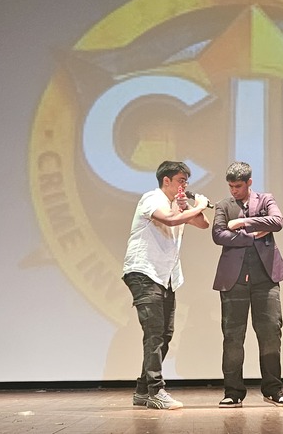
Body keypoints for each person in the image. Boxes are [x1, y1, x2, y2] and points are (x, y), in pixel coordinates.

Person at [122, 161, 210, 410]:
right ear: (166, 180)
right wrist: (198, 205)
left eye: (187, 181)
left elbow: (203, 224)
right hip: (144, 272)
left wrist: (190, 207)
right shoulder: (152, 198)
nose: (185, 185)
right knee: (154, 333)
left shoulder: (176, 205)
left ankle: (142, 391)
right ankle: (156, 391)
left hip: (166, 277)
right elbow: (170, 221)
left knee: (165, 334)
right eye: (181, 180)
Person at [211, 161, 283, 408]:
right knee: (233, 337)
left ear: (249, 182)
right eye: (231, 186)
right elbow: (218, 234)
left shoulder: (265, 199)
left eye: (238, 186)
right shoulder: (223, 205)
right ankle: (233, 392)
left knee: (271, 333)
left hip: (265, 279)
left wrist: (241, 224)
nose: (234, 190)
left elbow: (277, 221)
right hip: (233, 280)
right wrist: (252, 234)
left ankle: (273, 389)